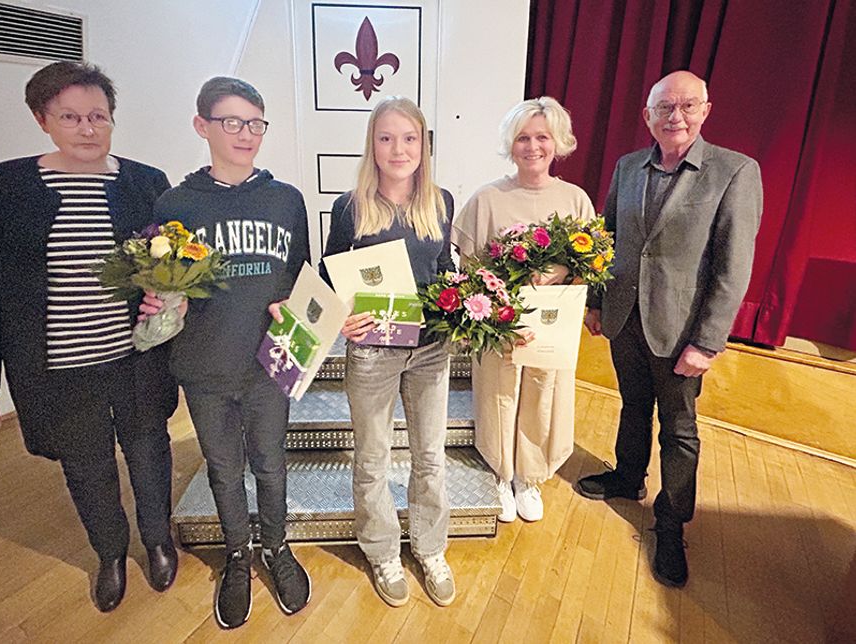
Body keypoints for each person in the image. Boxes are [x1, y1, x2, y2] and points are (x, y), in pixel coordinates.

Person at [0, 61, 179, 613]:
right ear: (42, 120)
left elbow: (172, 264)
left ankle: (157, 541)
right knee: (86, 464)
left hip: (136, 357)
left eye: (98, 116)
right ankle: (109, 552)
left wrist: (167, 293)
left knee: (150, 451)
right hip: (57, 367)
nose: (87, 128)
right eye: (71, 117)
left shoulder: (146, 182)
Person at [576, 70, 763, 587]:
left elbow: (733, 267)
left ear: (705, 110)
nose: (675, 116)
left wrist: (708, 341)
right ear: (648, 116)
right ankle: (628, 476)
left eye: (686, 106)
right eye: (664, 107)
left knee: (679, 429)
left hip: (681, 330)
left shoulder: (735, 171)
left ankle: (671, 522)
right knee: (633, 404)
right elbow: (605, 238)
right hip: (623, 318)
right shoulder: (628, 165)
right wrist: (596, 301)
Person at [145, 76, 311, 629]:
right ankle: (237, 554)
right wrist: (165, 304)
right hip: (204, 366)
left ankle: (277, 548)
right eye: (232, 122)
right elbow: (161, 284)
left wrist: (298, 309)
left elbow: (300, 278)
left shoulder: (287, 200)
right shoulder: (175, 204)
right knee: (222, 467)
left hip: (270, 364)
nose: (246, 134)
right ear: (202, 126)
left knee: (270, 465)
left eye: (256, 123)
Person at [319, 96, 457, 608]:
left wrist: (462, 305)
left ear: (423, 146)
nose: (398, 149)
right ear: (371, 146)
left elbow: (444, 269)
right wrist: (343, 316)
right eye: (386, 138)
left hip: (430, 350)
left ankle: (430, 546)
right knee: (373, 457)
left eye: (409, 138)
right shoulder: (349, 206)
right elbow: (332, 273)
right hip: (373, 351)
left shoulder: (440, 202)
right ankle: (382, 551)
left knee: (430, 456)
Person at [452, 97, 594, 523]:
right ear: (511, 145)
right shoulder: (488, 198)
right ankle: (500, 472)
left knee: (543, 392)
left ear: (558, 143)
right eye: (523, 138)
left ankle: (528, 477)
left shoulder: (575, 199)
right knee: (499, 391)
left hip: (551, 324)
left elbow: (591, 266)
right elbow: (470, 265)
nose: (532, 146)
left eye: (541, 137)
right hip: (500, 322)